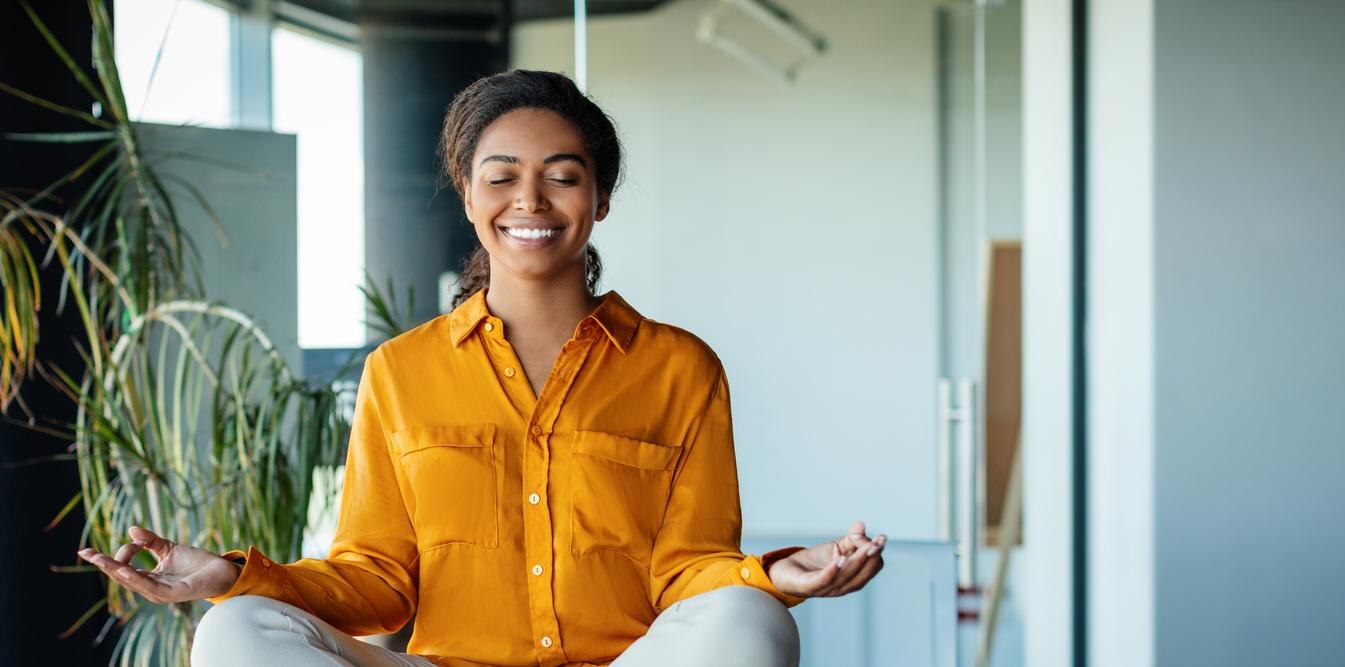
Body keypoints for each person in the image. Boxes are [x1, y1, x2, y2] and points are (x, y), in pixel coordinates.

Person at [75, 69, 885, 667]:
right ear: (468, 194)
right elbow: (376, 578)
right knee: (233, 630)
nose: (530, 201)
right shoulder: (401, 370)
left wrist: (779, 574)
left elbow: (689, 571)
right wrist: (229, 574)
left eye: (562, 177)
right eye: (502, 177)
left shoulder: (682, 367)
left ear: (598, 199)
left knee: (754, 618)